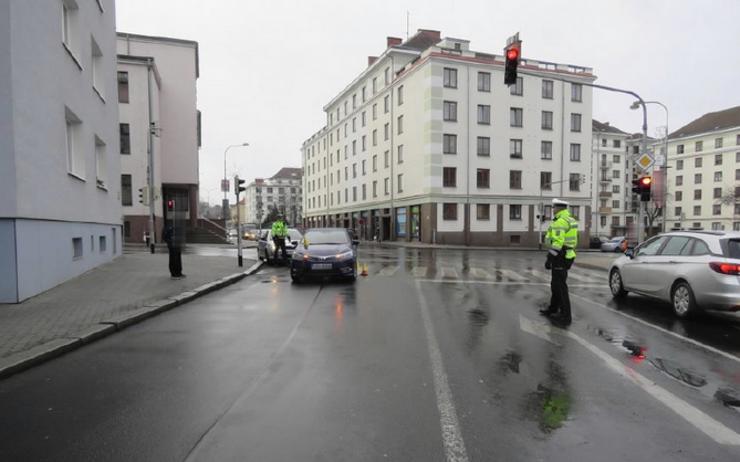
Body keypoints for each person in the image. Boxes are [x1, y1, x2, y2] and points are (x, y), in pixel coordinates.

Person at [539, 199, 578, 326]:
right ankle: (553, 309)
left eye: (553, 207)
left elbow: (557, 244)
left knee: (560, 287)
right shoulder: (570, 219)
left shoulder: (560, 222)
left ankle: (566, 316)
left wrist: (549, 259)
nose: (552, 209)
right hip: (567, 254)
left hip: (560, 256)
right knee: (556, 284)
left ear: (558, 208)